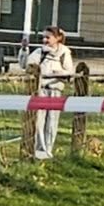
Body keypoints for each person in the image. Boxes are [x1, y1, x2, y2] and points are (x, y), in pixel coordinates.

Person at [24, 25, 74, 160]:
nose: (45, 40)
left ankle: (49, 148)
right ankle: (40, 149)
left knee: (52, 119)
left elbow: (69, 71)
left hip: (55, 89)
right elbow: (27, 65)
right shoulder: (39, 52)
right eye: (43, 37)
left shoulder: (64, 53)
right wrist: (24, 51)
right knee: (39, 119)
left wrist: (59, 74)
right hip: (41, 89)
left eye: (48, 37)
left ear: (57, 38)